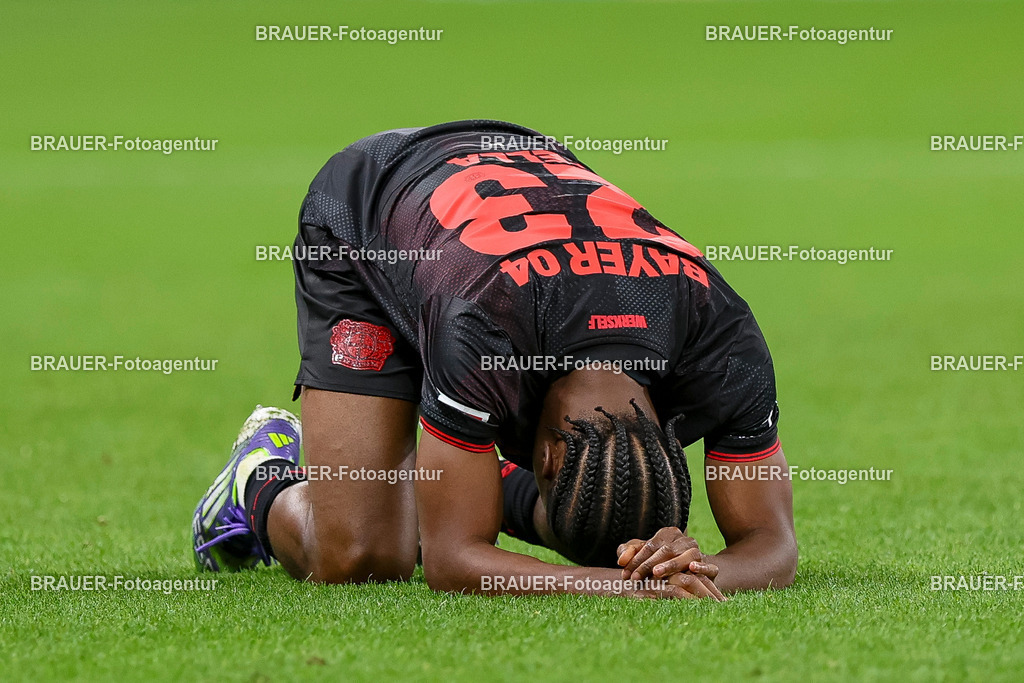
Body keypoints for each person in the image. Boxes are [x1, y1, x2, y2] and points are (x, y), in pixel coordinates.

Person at [192, 120, 797, 599]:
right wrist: (626, 589)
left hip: (502, 191)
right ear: (548, 458)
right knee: (362, 558)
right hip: (368, 207)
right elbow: (453, 560)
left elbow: (773, 544)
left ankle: (458, 478)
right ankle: (261, 474)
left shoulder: (724, 340)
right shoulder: (485, 329)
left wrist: (688, 568)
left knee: (603, 509)